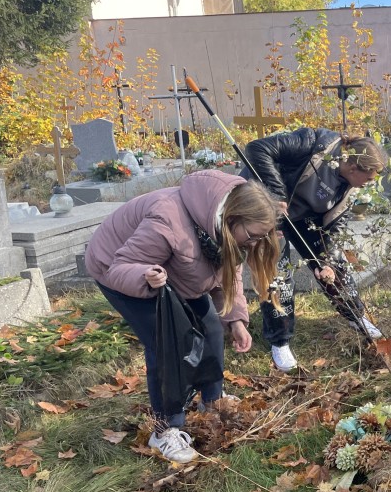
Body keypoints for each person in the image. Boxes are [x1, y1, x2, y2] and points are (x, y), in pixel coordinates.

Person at [86, 170, 281, 463]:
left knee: (212, 329)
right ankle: (165, 429)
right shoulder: (168, 219)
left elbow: (228, 274)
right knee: (168, 346)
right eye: (252, 235)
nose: (254, 243)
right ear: (231, 218)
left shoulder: (224, 232)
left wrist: (236, 320)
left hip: (176, 272)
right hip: (121, 270)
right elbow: (120, 266)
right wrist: (145, 276)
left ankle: (212, 401)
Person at [242, 130, 389, 371]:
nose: (369, 184)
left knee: (334, 265)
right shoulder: (312, 143)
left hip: (304, 218)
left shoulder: (350, 188)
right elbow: (256, 148)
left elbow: (335, 224)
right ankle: (280, 341)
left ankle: (355, 315)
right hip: (268, 206)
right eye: (369, 178)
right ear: (353, 168)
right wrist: (276, 195)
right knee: (277, 273)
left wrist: (327, 260)